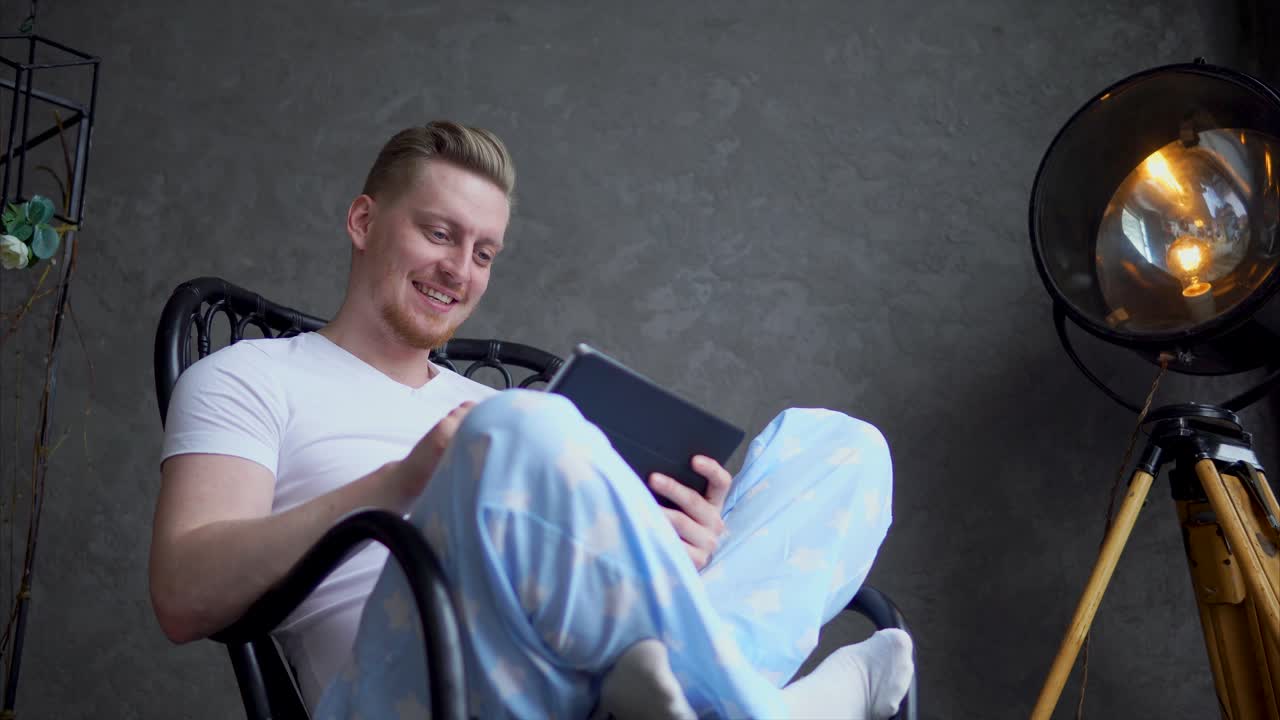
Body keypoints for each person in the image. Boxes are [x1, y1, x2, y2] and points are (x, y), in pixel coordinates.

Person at [151, 121, 914, 720]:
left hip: (589, 679)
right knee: (518, 430)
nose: (461, 270)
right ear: (362, 220)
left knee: (843, 448)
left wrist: (692, 551)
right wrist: (400, 481)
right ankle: (764, 709)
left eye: (484, 252)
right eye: (440, 233)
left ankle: (691, 685)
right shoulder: (250, 377)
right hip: (411, 695)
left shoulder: (498, 411)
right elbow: (184, 598)